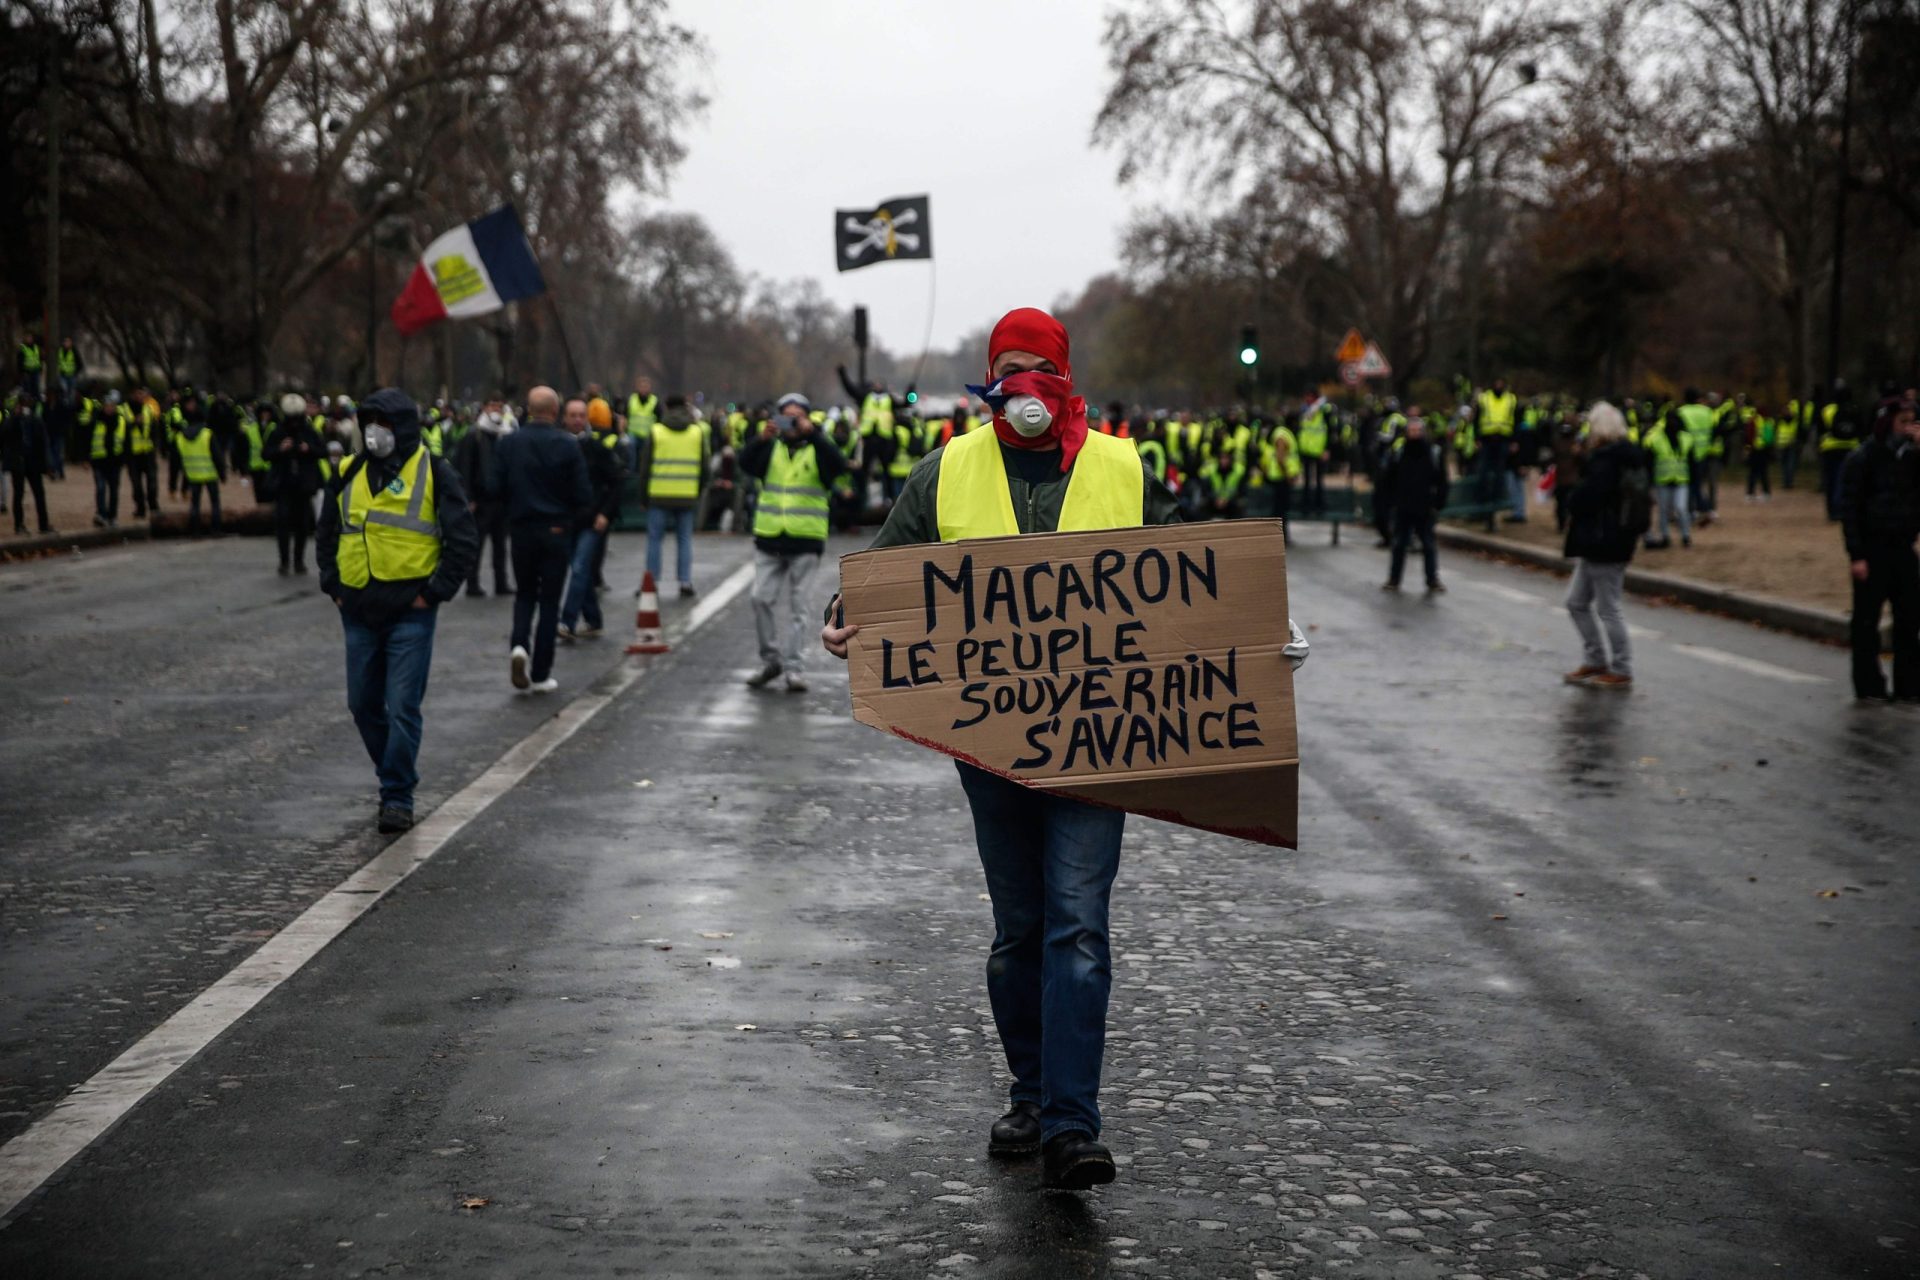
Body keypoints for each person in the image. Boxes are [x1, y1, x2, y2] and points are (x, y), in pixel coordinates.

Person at [821, 307, 1307, 1191]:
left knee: (1078, 925)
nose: (1023, 385)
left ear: (1063, 375)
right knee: (1020, 931)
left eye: (1036, 367)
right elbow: (885, 579)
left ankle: (1073, 1127)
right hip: (991, 748)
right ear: (988, 378)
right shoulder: (947, 470)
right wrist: (843, 624)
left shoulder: (1123, 467)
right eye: (1006, 367)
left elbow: (1197, 572)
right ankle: (1031, 1092)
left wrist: (1266, 631)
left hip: (1101, 744)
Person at [317, 388, 479, 833]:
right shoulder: (348, 470)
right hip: (357, 609)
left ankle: (396, 795)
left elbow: (463, 537)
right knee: (362, 704)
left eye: (384, 423)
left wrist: (435, 592)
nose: (374, 432)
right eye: (368, 422)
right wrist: (332, 585)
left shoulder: (434, 470)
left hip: (411, 611)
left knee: (403, 705)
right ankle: (396, 777)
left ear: (403, 428)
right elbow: (328, 530)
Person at [739, 392, 851, 693]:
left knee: (799, 608)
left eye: (796, 417)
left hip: (805, 539)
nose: (790, 423)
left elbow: (837, 466)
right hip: (770, 536)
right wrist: (761, 438)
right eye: (784, 416)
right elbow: (746, 464)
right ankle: (771, 660)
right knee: (760, 598)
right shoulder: (770, 447)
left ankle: (793, 668)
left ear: (807, 418)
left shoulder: (817, 447)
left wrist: (813, 435)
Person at [492, 385, 590, 694]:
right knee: (549, 601)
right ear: (556, 410)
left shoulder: (509, 444)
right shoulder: (568, 445)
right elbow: (582, 494)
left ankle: (519, 645)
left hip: (522, 528)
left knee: (524, 594)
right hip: (556, 529)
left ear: (529, 409)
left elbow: (495, 486)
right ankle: (541, 671)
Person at [1837, 397, 1920, 703]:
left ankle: (1909, 684)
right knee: (1867, 621)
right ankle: (1868, 684)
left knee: (1910, 618)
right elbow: (1850, 508)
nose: (1909, 428)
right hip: (1873, 548)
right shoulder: (1865, 458)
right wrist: (1856, 554)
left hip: (1903, 546)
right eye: (1903, 421)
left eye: (1913, 421)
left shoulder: (1912, 458)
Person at [1563, 403, 1646, 690]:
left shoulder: (1606, 462)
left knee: (1608, 608)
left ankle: (1621, 666)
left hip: (1603, 540)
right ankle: (1596, 658)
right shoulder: (1626, 458)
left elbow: (1588, 498)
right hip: (1611, 539)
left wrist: (1572, 498)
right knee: (1576, 602)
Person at [558, 396, 625, 642]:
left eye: (581, 415)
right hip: (566, 520)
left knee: (579, 569)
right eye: (572, 415)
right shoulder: (558, 447)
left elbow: (617, 482)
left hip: (591, 520)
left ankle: (567, 621)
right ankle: (594, 619)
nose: (577, 420)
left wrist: (605, 514)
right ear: (564, 418)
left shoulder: (597, 449)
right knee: (580, 571)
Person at [635, 393, 709, 598]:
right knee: (684, 540)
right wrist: (697, 489)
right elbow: (705, 467)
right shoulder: (696, 432)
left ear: (666, 408)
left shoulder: (656, 431)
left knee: (654, 540)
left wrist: (643, 497)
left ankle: (652, 582)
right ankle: (685, 581)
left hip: (658, 495)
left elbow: (645, 468)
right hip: (686, 495)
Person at [1379, 409, 1448, 593]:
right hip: (1403, 506)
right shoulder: (1400, 452)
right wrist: (1390, 502)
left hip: (1425, 506)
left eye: (1418, 431)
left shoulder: (1432, 453)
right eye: (1412, 431)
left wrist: (1438, 503)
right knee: (1399, 544)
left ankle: (1432, 579)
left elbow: (1442, 480)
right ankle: (1394, 579)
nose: (1415, 434)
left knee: (1428, 545)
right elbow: (1388, 479)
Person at [456, 395, 517, 597]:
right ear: (484, 407)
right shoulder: (474, 435)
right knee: (477, 545)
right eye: (493, 405)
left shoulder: (504, 434)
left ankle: (501, 582)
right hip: (481, 500)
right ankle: (472, 583)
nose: (496, 409)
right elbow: (464, 467)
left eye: (500, 406)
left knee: (500, 545)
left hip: (500, 499)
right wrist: (468, 497)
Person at [266, 392, 323, 573]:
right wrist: (280, 449)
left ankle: (298, 560)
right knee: (282, 522)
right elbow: (266, 453)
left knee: (302, 524)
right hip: (283, 483)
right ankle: (284, 561)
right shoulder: (278, 431)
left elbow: (322, 450)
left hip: (303, 484)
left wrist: (308, 449)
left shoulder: (309, 431)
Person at [1, 393, 53, 534]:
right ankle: (19, 525)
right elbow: (5, 433)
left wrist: (47, 464)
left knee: (39, 494)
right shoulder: (12, 419)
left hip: (33, 462)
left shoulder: (35, 420)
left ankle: (43, 524)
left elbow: (43, 442)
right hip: (18, 462)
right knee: (18, 494)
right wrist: (15, 416)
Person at [1642, 407, 1691, 549]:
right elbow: (1649, 462)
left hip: (1681, 479)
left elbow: (1692, 462)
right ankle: (1665, 536)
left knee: (1681, 508)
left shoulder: (1686, 438)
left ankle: (1685, 535)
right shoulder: (1656, 439)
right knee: (1663, 511)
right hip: (1662, 480)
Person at [176, 396, 225, 534]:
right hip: (210, 473)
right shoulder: (207, 434)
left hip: (192, 474)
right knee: (215, 503)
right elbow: (217, 456)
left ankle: (195, 529)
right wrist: (222, 473)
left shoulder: (180, 436)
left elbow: (179, 461)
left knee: (195, 504)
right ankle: (216, 529)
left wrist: (183, 483)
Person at [88, 391, 127, 527]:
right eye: (107, 405)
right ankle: (101, 514)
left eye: (112, 405)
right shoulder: (97, 420)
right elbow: (88, 439)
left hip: (115, 461)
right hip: (99, 460)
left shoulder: (120, 420)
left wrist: (124, 458)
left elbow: (125, 442)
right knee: (100, 488)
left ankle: (112, 516)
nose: (109, 408)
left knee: (114, 490)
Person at [126, 388, 161, 517]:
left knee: (152, 481)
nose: (140, 396)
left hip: (147, 452)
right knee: (136, 484)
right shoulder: (125, 410)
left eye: (142, 394)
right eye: (138, 394)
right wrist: (134, 423)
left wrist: (156, 446)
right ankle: (140, 507)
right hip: (133, 454)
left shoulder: (148, 409)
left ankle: (153, 505)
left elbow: (155, 429)